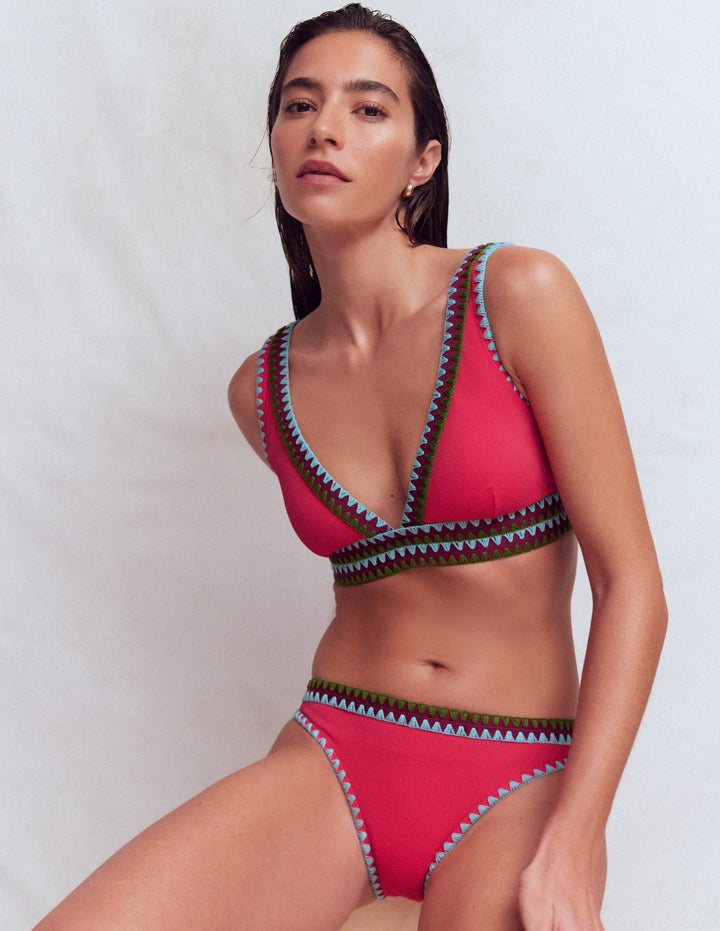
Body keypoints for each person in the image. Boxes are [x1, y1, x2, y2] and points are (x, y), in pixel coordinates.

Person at [35, 4, 667, 929]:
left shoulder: (518, 295)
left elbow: (633, 585)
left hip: (519, 774)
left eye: (368, 108)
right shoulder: (261, 390)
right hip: (336, 756)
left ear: (423, 161)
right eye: (300, 105)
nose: (324, 128)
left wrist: (575, 840)